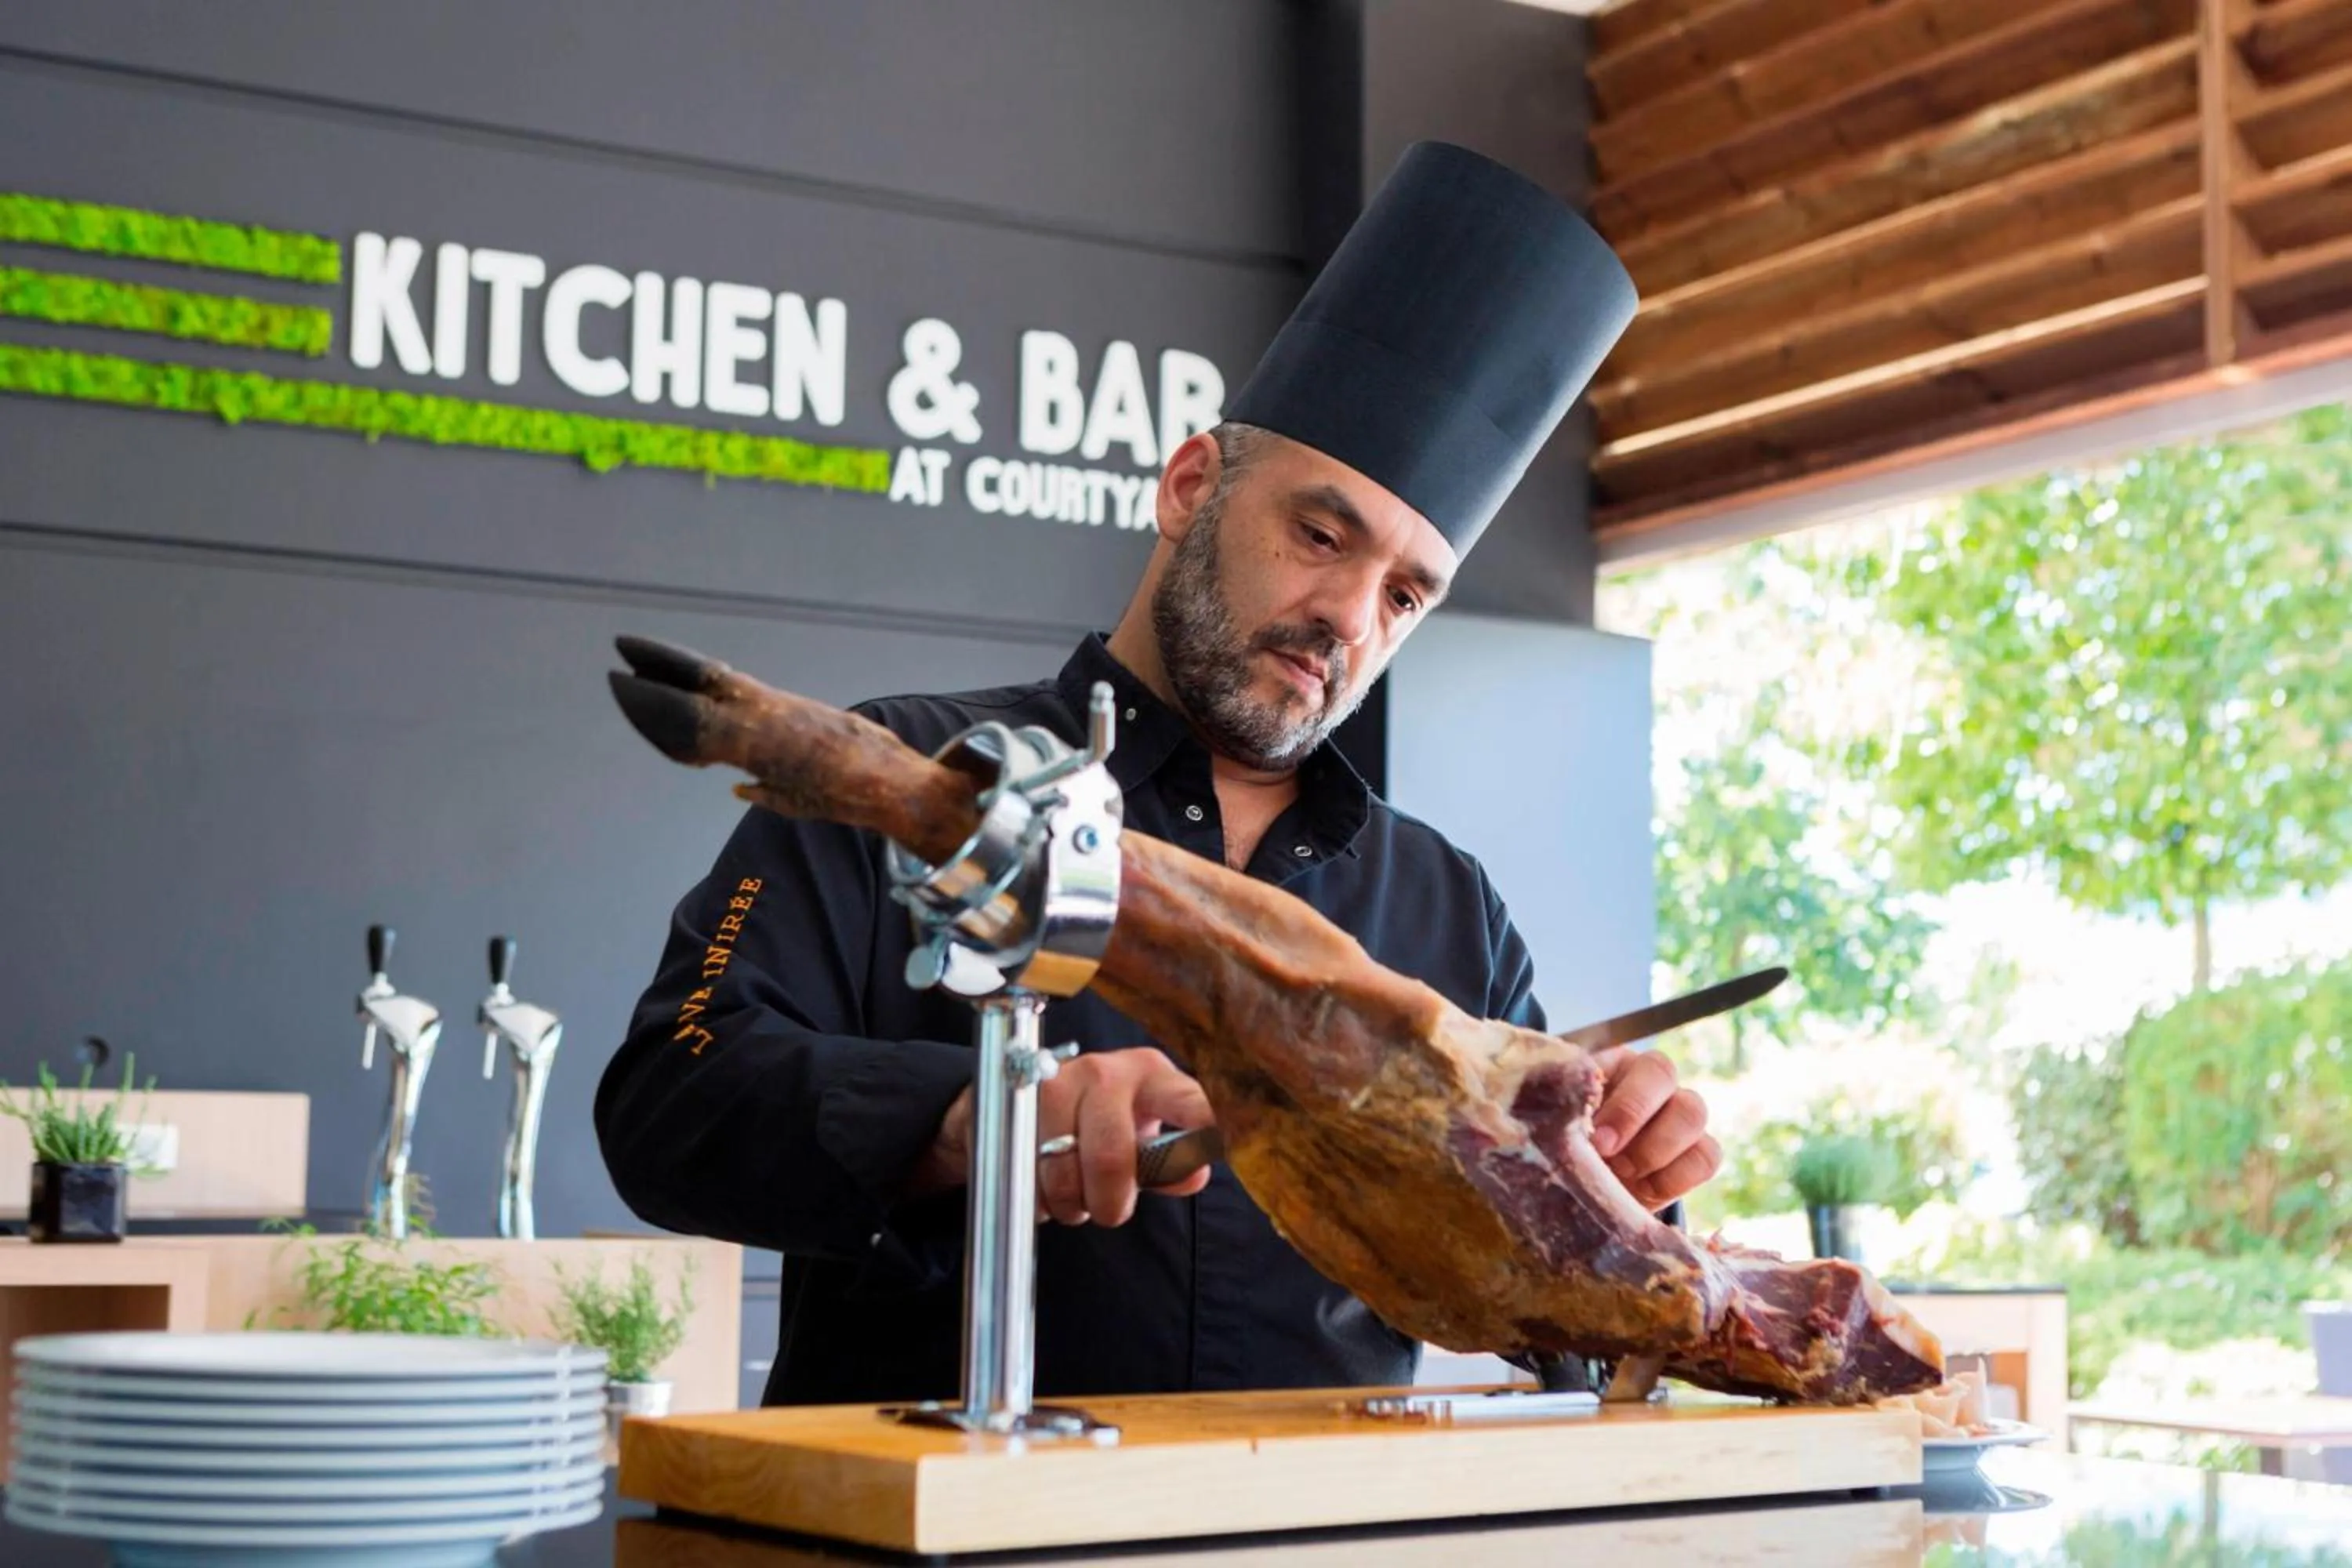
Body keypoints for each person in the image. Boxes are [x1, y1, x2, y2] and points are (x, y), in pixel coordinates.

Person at [596, 142, 1718, 1406]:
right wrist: (980, 1121)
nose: (1347, 617)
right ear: (1191, 487)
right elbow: (669, 1102)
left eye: (1403, 593)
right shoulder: (915, 776)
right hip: (937, 1528)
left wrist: (1619, 1194)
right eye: (1318, 533)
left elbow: (1543, 1326)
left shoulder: (1448, 904)